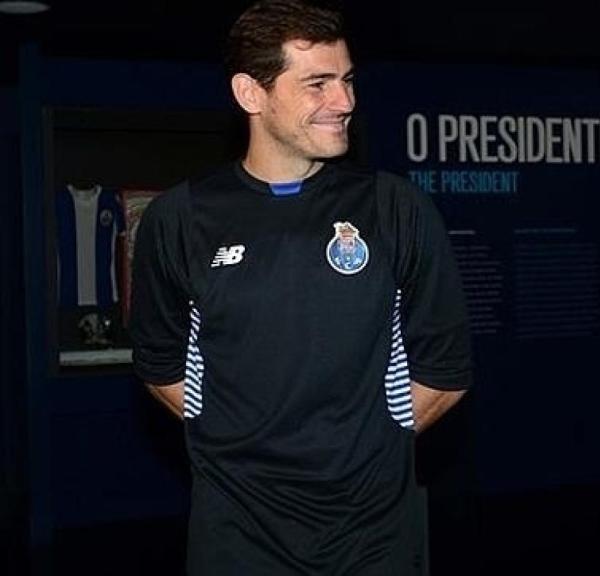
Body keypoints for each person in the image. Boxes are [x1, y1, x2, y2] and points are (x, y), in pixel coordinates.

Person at [129, 1, 473, 573]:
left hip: (375, 534)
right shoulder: (181, 217)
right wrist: (241, 444)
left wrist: (364, 449)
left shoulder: (394, 207)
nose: (345, 102)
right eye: (318, 83)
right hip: (237, 533)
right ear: (250, 95)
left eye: (347, 80)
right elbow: (162, 364)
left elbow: (445, 371)